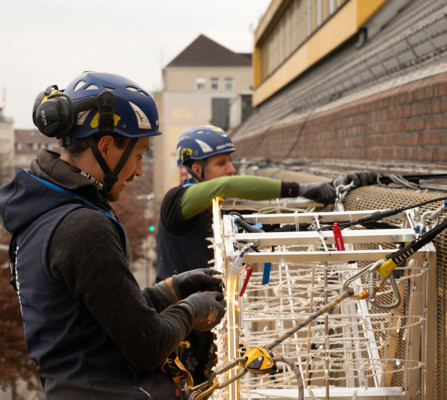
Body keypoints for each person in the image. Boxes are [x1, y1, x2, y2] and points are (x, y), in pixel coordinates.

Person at [0, 72, 226, 400]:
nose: (139, 170)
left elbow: (101, 322)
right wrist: (192, 310)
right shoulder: (83, 227)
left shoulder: (41, 214)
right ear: (106, 147)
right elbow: (147, 346)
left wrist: (169, 290)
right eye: (139, 154)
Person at [155, 124, 377, 383]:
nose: (231, 169)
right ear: (196, 169)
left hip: (210, 327)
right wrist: (301, 188)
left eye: (230, 162)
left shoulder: (225, 213)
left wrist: (330, 190)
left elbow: (279, 214)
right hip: (176, 327)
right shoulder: (175, 203)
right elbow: (225, 185)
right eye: (222, 162)